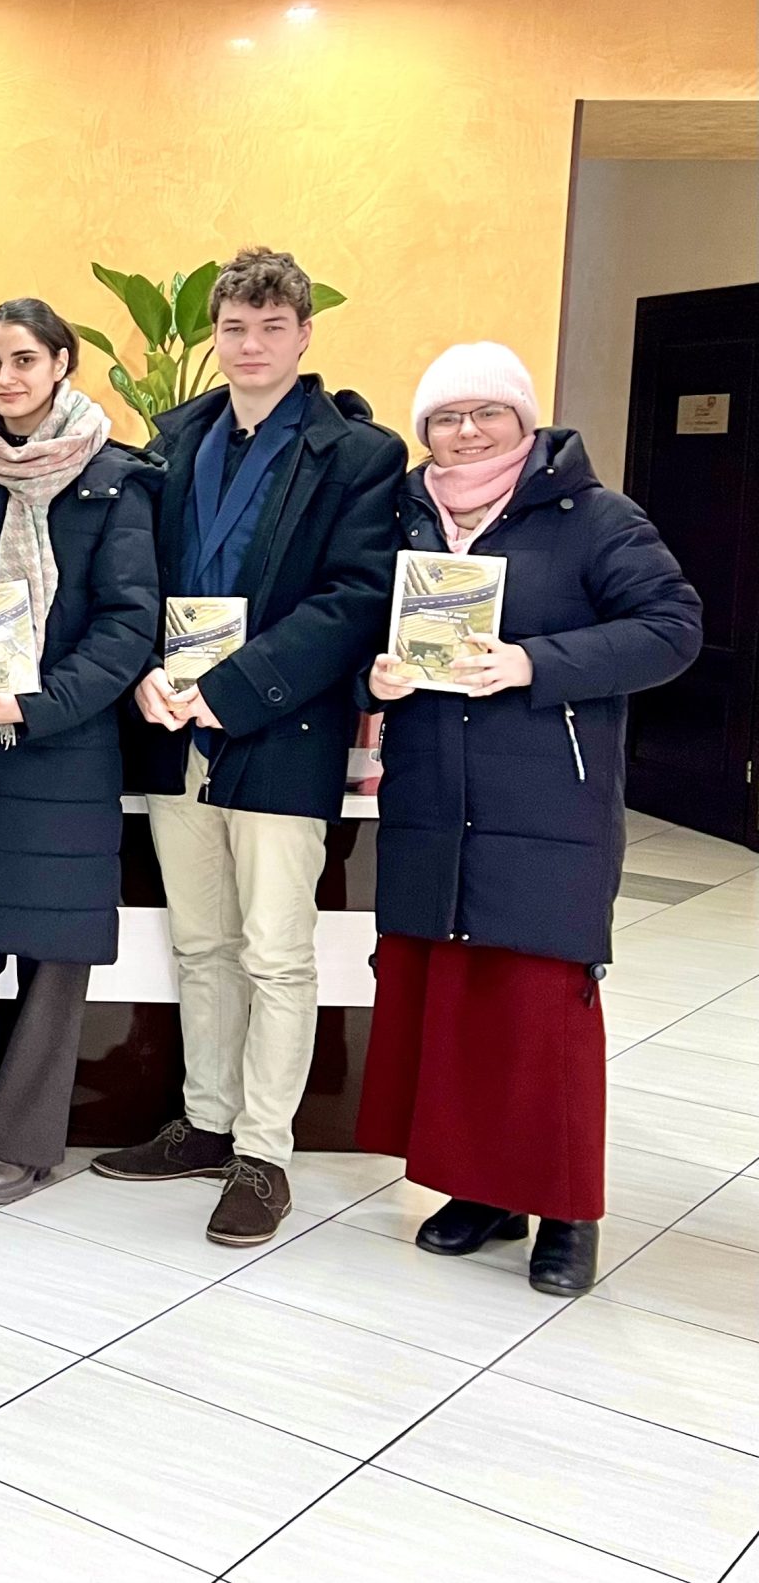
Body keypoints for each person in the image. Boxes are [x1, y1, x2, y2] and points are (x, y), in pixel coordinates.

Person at [358, 341, 699, 1298]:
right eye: (445, 417)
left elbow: (673, 628)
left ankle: (567, 1213)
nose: (466, 432)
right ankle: (482, 1192)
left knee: (541, 1010)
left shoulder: (594, 517)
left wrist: (532, 663)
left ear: (524, 419)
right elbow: (359, 631)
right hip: (433, 798)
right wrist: (375, 678)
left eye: (486, 413)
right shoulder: (405, 517)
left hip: (548, 801)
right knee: (456, 1000)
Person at [91, 247, 404, 1249]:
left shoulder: (358, 454)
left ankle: (263, 1154)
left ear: (304, 334)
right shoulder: (172, 440)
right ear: (215, 335)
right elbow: (133, 576)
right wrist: (144, 669)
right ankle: (206, 1121)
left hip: (278, 728)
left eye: (273, 327)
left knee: (273, 952)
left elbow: (353, 598)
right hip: (172, 727)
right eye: (235, 327)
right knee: (202, 944)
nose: (251, 344)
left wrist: (228, 691)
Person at [0, 300, 159, 1206]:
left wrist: (38, 703)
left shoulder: (117, 482)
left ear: (61, 364)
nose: (5, 377)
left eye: (22, 359)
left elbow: (129, 625)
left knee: (53, 951)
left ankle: (21, 1140)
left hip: (64, 748)